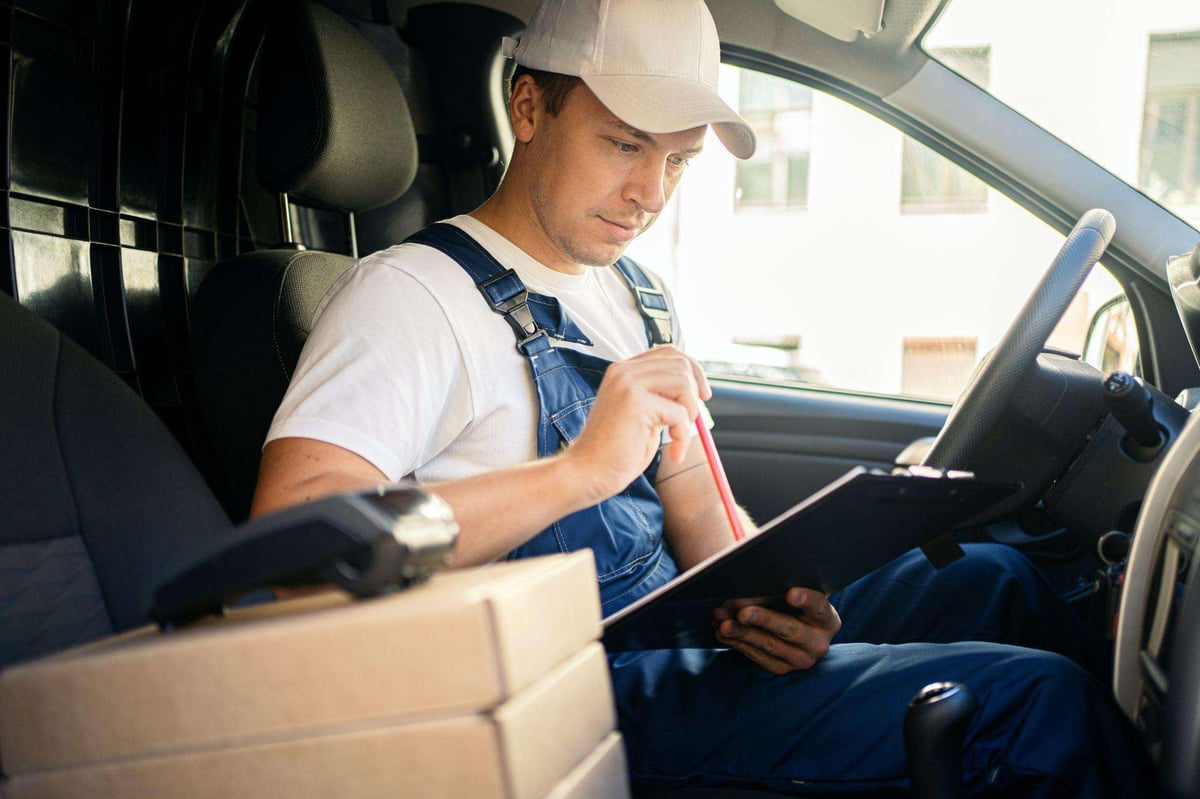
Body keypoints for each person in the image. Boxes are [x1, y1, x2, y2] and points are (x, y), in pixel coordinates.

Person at [252, 0, 1156, 795]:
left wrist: (771, 608)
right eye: (623, 144)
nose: (650, 193)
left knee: (989, 579)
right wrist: (579, 471)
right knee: (1039, 707)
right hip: (569, 694)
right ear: (529, 107)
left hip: (677, 637)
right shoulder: (410, 296)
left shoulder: (633, 294)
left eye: (678, 162)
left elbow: (701, 526)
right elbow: (289, 551)